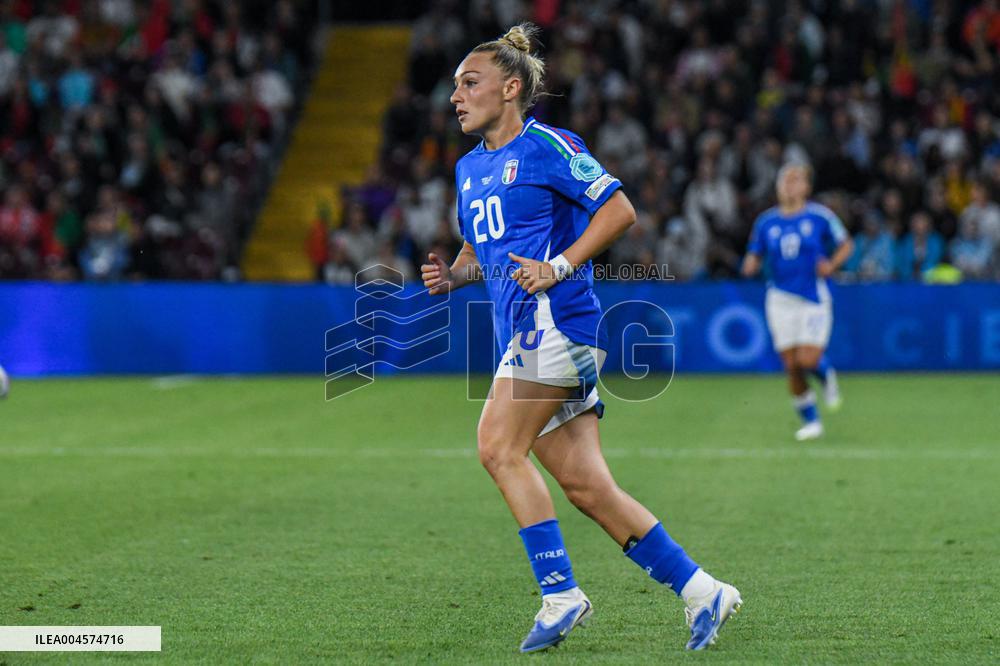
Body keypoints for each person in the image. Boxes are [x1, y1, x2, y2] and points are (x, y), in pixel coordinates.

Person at [421, 23, 741, 653]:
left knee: (495, 445)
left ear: (511, 88)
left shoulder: (549, 146)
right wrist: (453, 278)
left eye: (470, 82)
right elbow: (483, 250)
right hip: (524, 332)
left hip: (558, 325)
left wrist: (559, 266)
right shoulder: (468, 169)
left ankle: (561, 593)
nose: (455, 96)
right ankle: (705, 591)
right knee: (589, 488)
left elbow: (619, 209)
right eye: (455, 86)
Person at [741, 164, 854, 441]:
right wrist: (750, 264)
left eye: (796, 180)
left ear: (806, 187)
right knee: (791, 365)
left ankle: (825, 375)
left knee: (808, 358)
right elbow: (754, 253)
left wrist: (832, 264)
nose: (789, 185)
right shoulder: (766, 222)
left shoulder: (820, 216)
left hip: (813, 297)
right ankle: (812, 421)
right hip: (779, 298)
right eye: (785, 180)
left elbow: (846, 244)